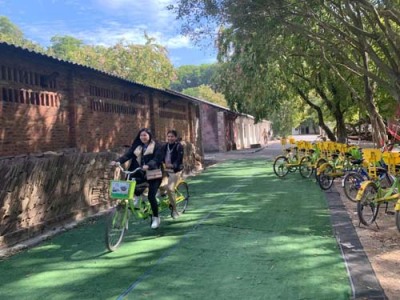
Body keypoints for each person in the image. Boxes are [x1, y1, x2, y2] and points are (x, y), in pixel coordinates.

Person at [110, 128, 164, 229]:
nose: (143, 137)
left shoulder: (157, 146)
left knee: (151, 196)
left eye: (145, 135)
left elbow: (157, 159)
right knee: (128, 190)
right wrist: (117, 161)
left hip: (153, 175)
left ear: (149, 136)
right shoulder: (137, 146)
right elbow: (128, 155)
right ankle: (125, 216)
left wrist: (149, 165)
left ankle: (156, 217)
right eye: (141, 135)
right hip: (139, 173)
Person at [160, 130, 184, 219]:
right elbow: (160, 156)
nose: (170, 138)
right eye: (168, 136)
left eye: (172, 136)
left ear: (175, 137)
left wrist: (173, 165)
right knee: (160, 185)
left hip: (175, 170)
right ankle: (166, 196)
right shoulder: (164, 146)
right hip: (165, 170)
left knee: (170, 189)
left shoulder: (179, 146)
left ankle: (174, 210)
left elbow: (179, 159)